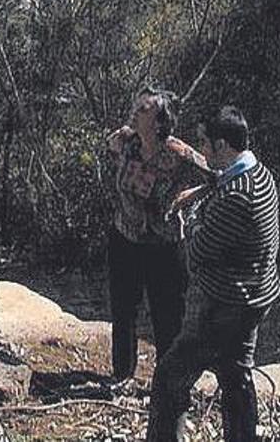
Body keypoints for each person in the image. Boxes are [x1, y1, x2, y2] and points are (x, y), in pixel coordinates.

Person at [147, 106, 280, 442]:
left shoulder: (236, 197)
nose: (202, 151)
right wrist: (202, 191)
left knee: (170, 377)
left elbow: (197, 252)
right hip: (253, 297)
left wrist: (188, 217)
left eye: (206, 144)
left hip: (224, 305)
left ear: (222, 145)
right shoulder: (259, 175)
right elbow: (220, 178)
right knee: (237, 380)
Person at [106, 87, 211, 385]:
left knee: (167, 317)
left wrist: (183, 199)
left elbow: (214, 177)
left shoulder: (177, 153)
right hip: (124, 239)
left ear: (159, 122)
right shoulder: (126, 141)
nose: (135, 112)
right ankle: (122, 376)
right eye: (137, 106)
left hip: (164, 247)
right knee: (123, 310)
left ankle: (168, 381)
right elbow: (110, 148)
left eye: (144, 110)